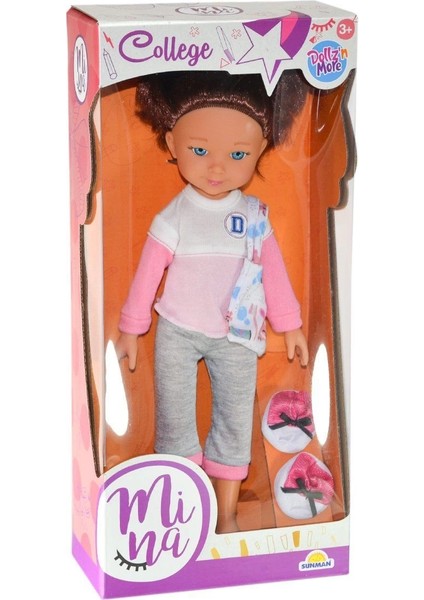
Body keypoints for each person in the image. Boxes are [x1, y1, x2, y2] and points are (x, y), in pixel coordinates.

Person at [116, 71, 309, 533]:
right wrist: (131, 327)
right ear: (171, 143)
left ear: (260, 149)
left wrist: (290, 324)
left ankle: (225, 514)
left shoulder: (254, 217)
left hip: (237, 335)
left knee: (235, 419)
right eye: (199, 151)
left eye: (237, 154)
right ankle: (182, 508)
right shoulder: (175, 215)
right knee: (174, 420)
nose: (217, 167)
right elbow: (148, 274)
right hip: (178, 331)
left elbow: (274, 273)